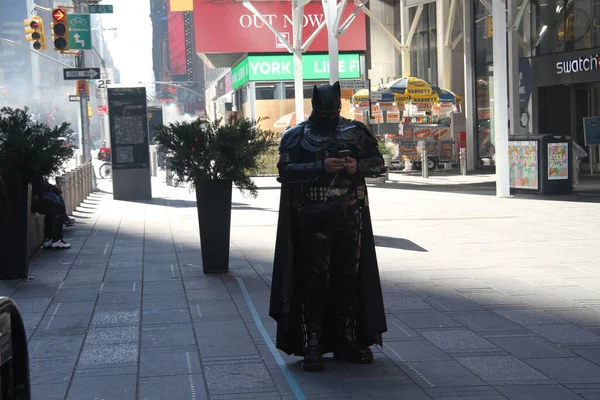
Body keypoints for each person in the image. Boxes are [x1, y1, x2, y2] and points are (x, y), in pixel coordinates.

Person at [270, 82, 388, 372]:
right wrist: (320, 167)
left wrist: (354, 167)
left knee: (349, 278)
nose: (328, 114)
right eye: (324, 110)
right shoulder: (295, 136)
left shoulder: (355, 132)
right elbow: (285, 172)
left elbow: (378, 164)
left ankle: (347, 337)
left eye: (332, 108)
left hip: (349, 217)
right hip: (311, 218)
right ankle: (313, 340)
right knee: (314, 279)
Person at [31, 179, 71, 250]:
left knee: (53, 207)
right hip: (34, 197)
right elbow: (38, 185)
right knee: (58, 208)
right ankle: (56, 240)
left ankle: (48, 239)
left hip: (35, 195)